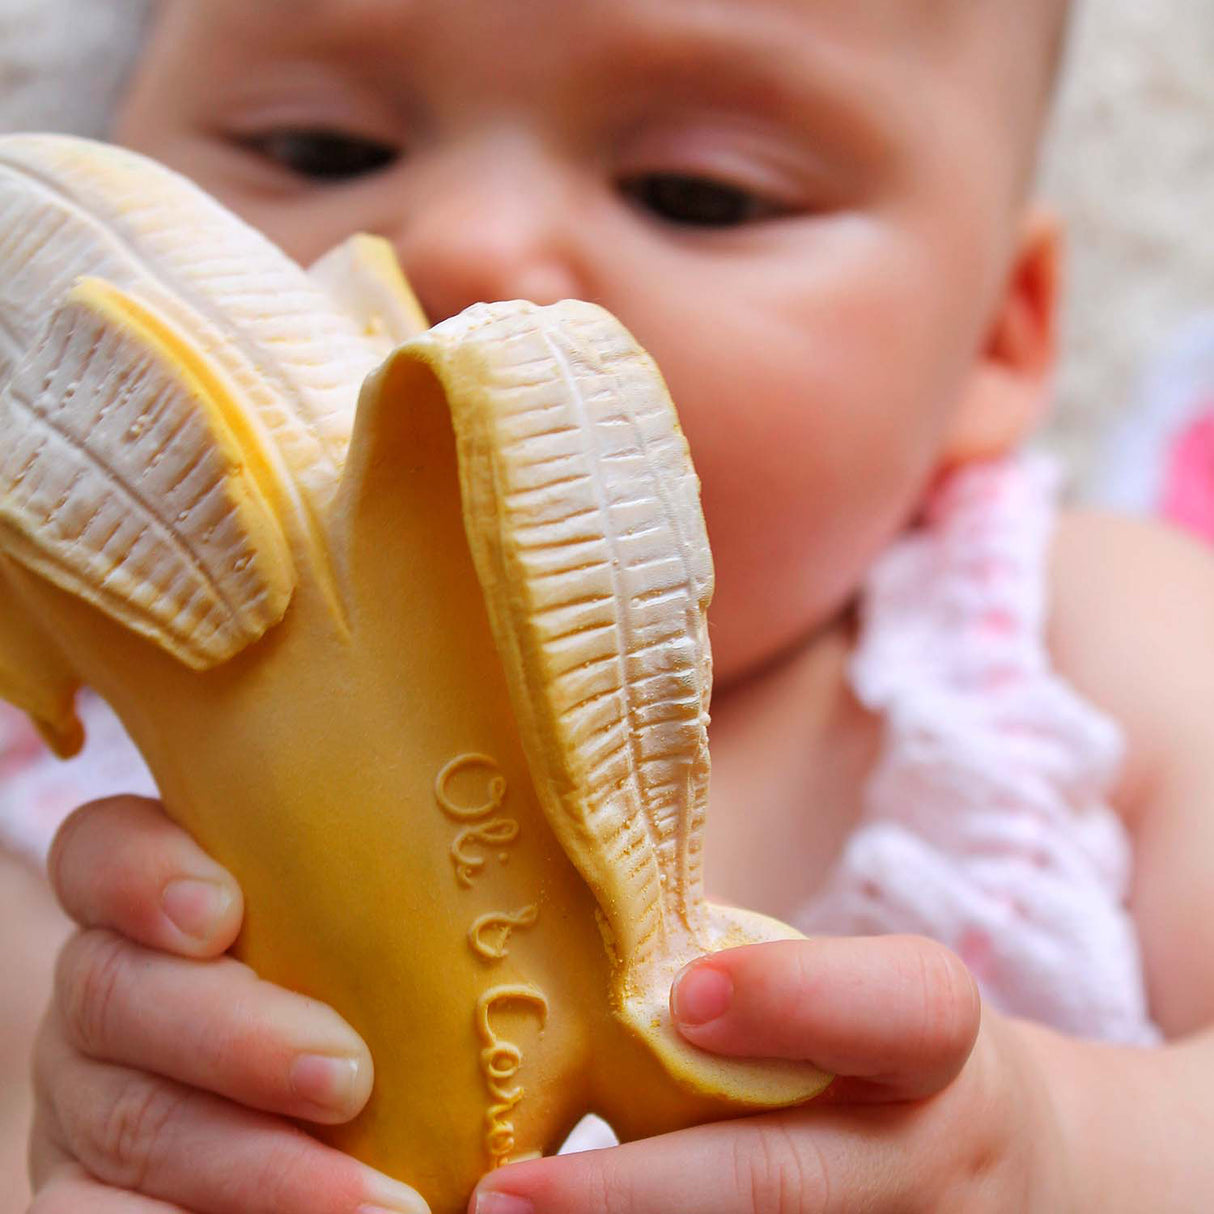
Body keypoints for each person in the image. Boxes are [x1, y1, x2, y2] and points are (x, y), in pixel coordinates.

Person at [11, 0, 1214, 1210]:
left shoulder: (1095, 644)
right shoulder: (79, 836)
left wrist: (1058, 1148)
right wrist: (96, 1144)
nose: (464, 245)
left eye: (695, 193)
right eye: (320, 148)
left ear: (992, 344)